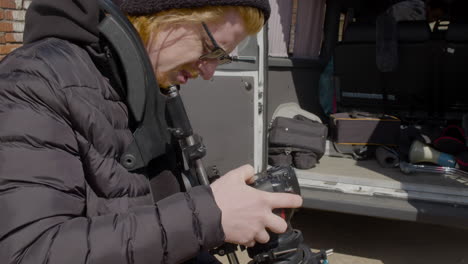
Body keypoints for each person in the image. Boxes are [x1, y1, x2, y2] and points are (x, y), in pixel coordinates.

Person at [0, 0, 303, 263]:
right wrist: (208, 215)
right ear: (163, 13)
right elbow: (30, 252)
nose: (209, 72)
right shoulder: (33, 82)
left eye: (222, 57)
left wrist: (225, 214)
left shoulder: (146, 90)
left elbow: (156, 228)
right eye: (210, 50)